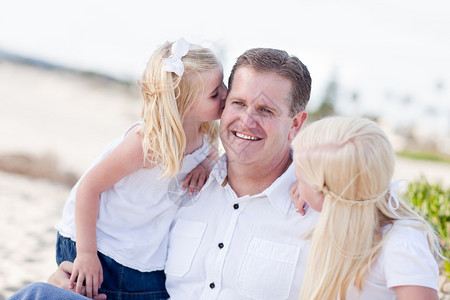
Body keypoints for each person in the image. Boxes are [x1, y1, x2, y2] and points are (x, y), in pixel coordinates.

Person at [9, 47, 319, 300]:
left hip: (138, 277)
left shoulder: (314, 205)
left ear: (295, 124)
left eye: (265, 110)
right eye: (236, 102)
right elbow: (92, 190)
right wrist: (72, 274)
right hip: (112, 266)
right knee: (41, 295)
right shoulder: (184, 174)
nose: (245, 118)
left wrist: (312, 170)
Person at [53, 38, 227, 299]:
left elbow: (211, 149)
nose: (226, 93)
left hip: (143, 252)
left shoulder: (204, 136)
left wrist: (208, 161)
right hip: (99, 244)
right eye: (215, 93)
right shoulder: (147, 143)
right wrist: (87, 254)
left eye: (223, 83)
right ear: (184, 104)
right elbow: (89, 187)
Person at [291, 116, 441, 300]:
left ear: (325, 195)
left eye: (299, 178)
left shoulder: (401, 245)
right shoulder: (341, 215)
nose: (295, 187)